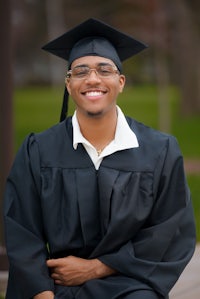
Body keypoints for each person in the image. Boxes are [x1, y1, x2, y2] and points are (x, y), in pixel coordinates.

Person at [4, 18, 196, 299]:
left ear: (120, 82)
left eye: (104, 70)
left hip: (128, 284)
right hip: (54, 285)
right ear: (68, 85)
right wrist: (41, 292)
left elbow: (171, 230)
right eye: (80, 71)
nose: (92, 79)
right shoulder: (38, 150)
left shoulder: (160, 151)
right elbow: (22, 229)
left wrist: (96, 268)